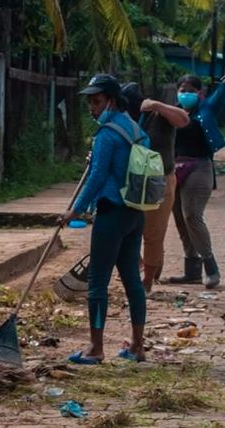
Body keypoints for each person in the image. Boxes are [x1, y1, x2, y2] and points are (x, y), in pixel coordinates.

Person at [60, 74, 149, 363]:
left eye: (96, 101)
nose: (91, 107)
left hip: (111, 214)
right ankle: (137, 346)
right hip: (135, 214)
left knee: (98, 282)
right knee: (132, 281)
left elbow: (97, 177)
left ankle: (95, 349)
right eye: (89, 102)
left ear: (111, 100)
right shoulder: (136, 130)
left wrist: (76, 208)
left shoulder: (106, 134)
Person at [168, 67, 225, 289]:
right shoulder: (173, 113)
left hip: (199, 167)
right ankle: (192, 270)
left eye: (190, 90)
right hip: (176, 168)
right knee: (178, 216)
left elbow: (221, 95)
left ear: (200, 93)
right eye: (181, 90)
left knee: (192, 216)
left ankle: (211, 267)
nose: (185, 93)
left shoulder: (206, 108)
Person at [121, 83, 190, 294]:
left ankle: (148, 281)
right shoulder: (123, 121)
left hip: (160, 181)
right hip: (131, 181)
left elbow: (184, 119)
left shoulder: (159, 117)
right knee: (125, 231)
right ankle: (144, 264)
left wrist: (158, 106)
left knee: (153, 233)